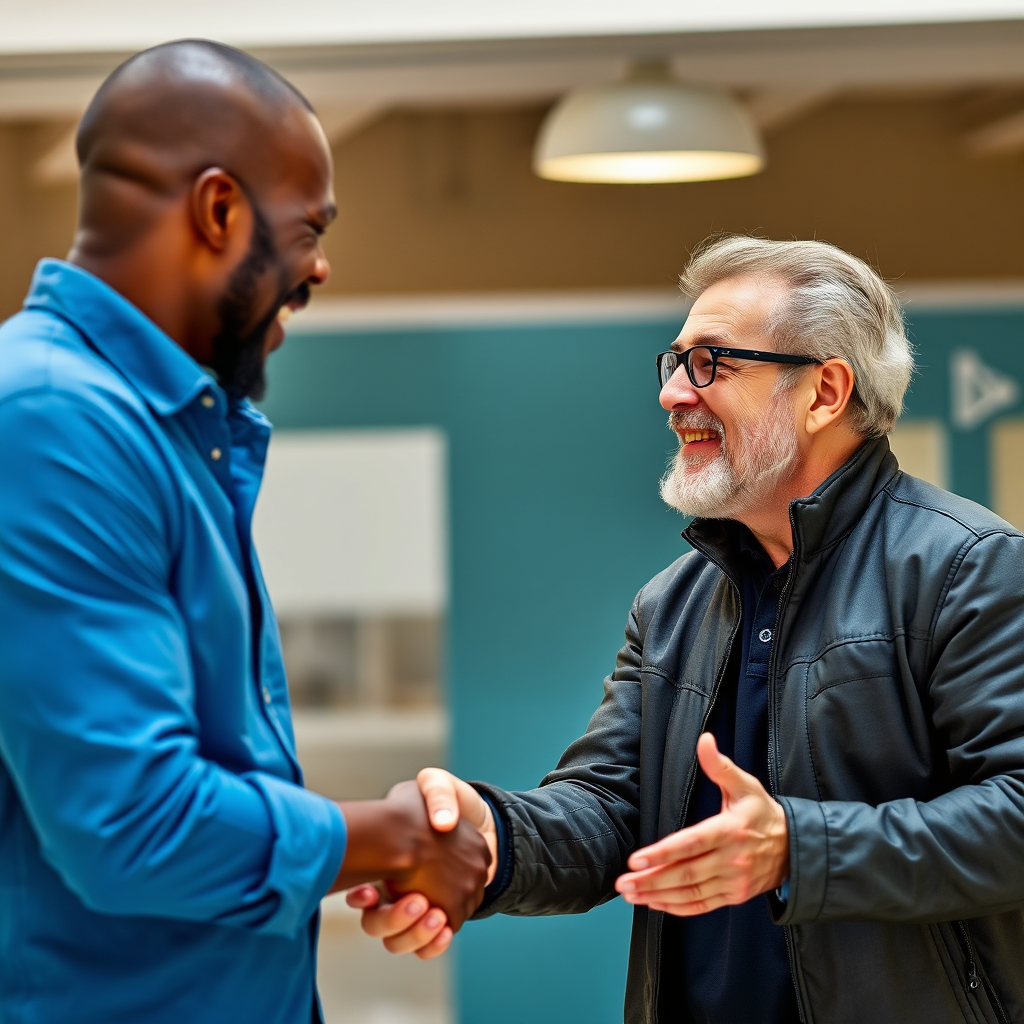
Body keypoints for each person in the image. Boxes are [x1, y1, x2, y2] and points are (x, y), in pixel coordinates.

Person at [352, 236, 1024, 1024]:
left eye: (712, 363)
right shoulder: (674, 604)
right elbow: (610, 811)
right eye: (674, 363)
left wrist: (797, 849)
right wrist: (485, 839)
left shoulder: (970, 568)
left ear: (824, 392)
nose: (675, 394)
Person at [0, 41, 490, 1024]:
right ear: (218, 211)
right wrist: (390, 837)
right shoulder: (50, 418)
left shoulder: (171, 429)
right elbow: (134, 822)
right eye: (307, 228)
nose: (320, 265)